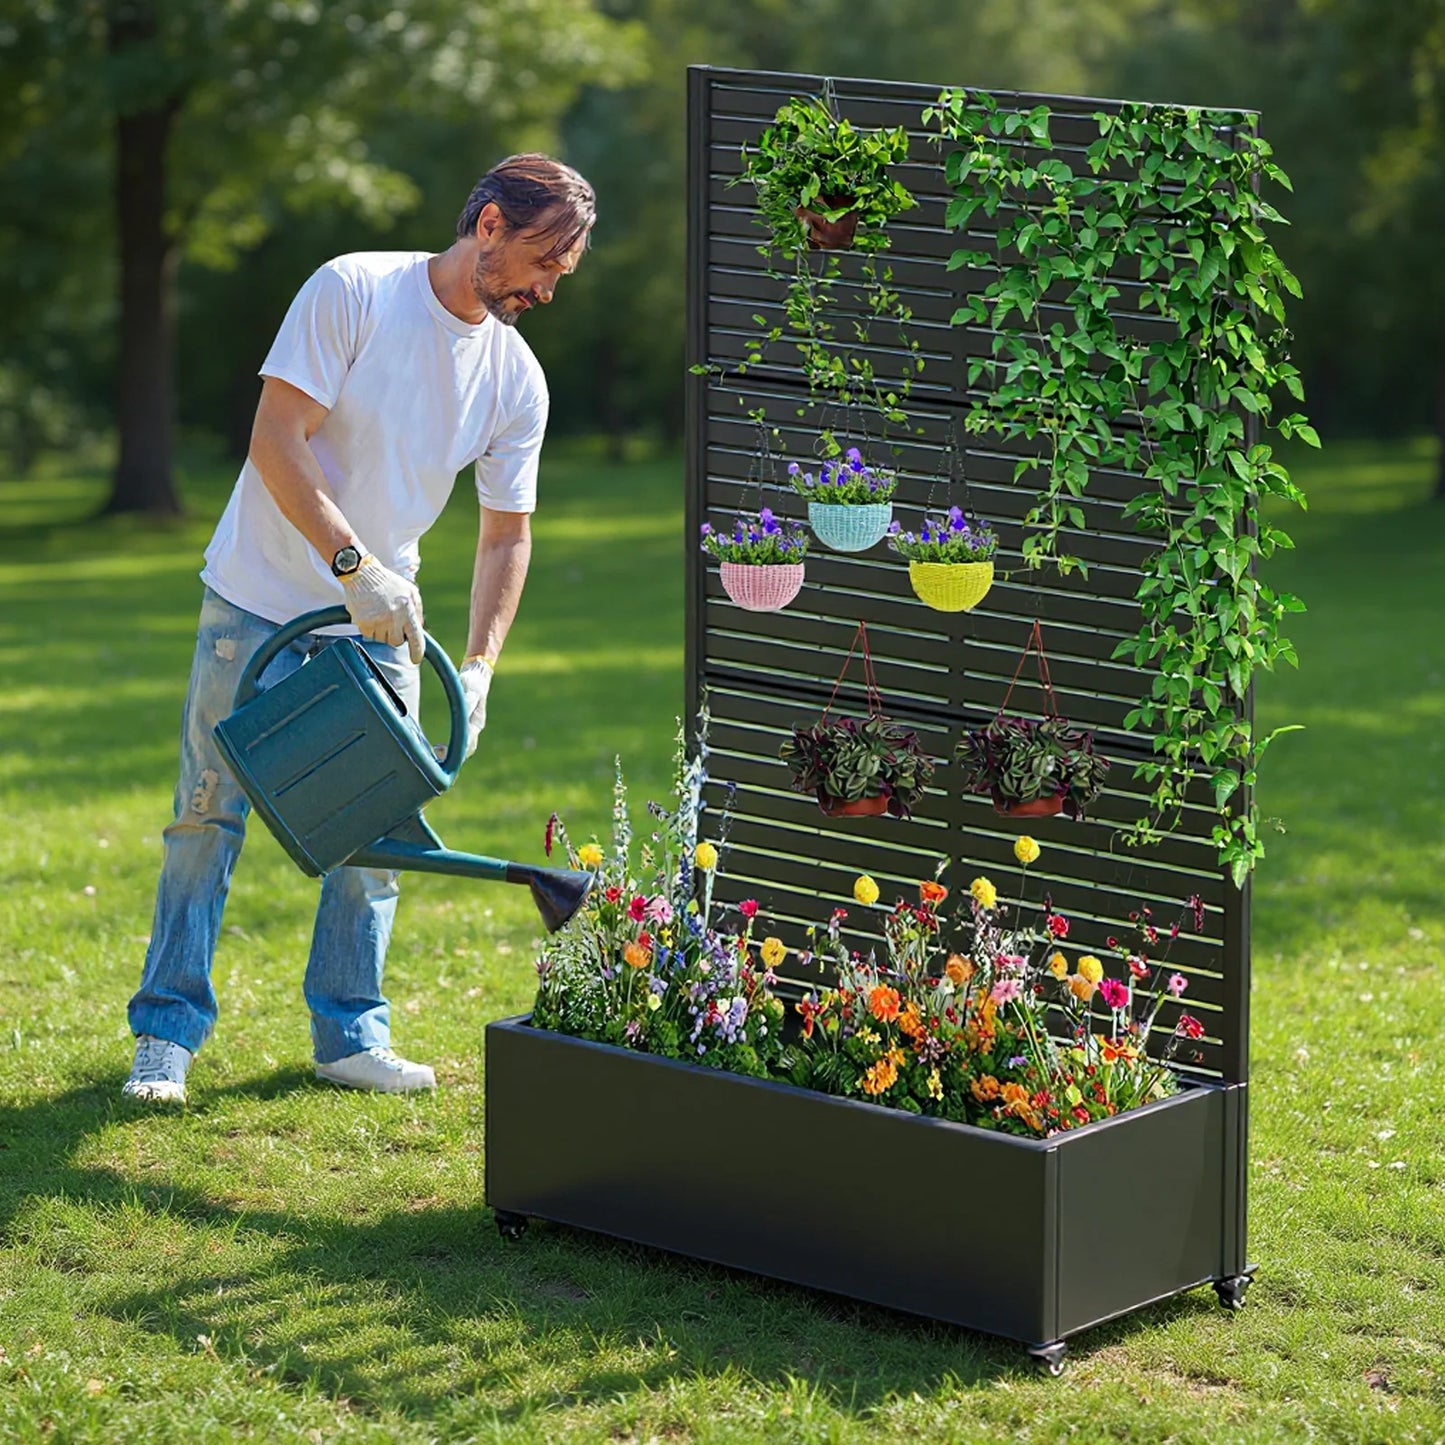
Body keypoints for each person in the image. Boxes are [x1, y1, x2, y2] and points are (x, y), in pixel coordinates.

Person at [122, 154, 596, 1104]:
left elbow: (506, 536)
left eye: (562, 273)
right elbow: (274, 439)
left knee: (379, 833)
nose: (548, 287)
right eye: (543, 260)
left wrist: (481, 667)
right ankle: (165, 1037)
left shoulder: (517, 382)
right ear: (491, 225)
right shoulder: (354, 290)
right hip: (258, 594)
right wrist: (354, 569)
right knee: (205, 819)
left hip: (384, 626)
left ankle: (348, 1033)